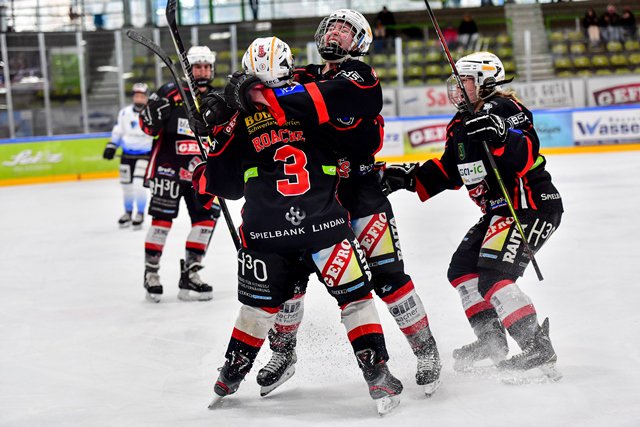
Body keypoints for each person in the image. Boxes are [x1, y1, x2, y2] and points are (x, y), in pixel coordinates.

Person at [192, 36, 403, 415]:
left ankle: (230, 374)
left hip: (265, 233)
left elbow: (224, 186)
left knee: (257, 309)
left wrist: (216, 132)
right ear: (289, 67)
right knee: (355, 299)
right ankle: (377, 372)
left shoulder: (239, 121)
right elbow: (360, 136)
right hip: (323, 225)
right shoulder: (311, 99)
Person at [240, 9, 442, 397]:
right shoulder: (303, 76)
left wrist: (263, 95)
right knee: (291, 277)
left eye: (346, 31)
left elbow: (321, 100)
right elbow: (262, 86)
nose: (336, 33)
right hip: (317, 197)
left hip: (362, 193)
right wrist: (233, 93)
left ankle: (425, 349)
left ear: (360, 43)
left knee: (387, 276)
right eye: (331, 27)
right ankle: (283, 353)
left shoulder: (359, 77)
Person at [381, 52, 564, 378]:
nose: (458, 86)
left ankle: (537, 347)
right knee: (463, 270)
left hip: (530, 206)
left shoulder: (508, 109)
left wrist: (500, 135)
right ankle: (492, 342)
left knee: (494, 275)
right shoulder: (460, 124)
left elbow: (526, 153)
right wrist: (407, 178)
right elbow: (451, 171)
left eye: (464, 80)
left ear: (485, 81)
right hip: (497, 213)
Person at [138, 46, 220, 303]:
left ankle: (191, 273)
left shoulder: (217, 99)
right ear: (189, 70)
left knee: (206, 220)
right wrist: (152, 116)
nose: (203, 71)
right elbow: (147, 126)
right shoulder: (169, 91)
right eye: (198, 67)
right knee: (161, 222)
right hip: (168, 170)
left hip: (201, 172)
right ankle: (151, 273)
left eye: (207, 67)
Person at [103, 82, 153, 230]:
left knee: (138, 186)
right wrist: (112, 145)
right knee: (126, 187)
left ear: (146, 98)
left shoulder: (151, 113)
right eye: (136, 96)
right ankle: (128, 212)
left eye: (142, 96)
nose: (139, 99)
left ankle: (140, 213)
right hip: (127, 155)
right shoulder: (124, 113)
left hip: (145, 155)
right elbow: (118, 131)